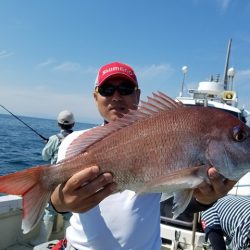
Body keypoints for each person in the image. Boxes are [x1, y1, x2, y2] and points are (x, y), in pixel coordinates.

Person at [50, 62, 236, 250]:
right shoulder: (75, 141)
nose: (116, 97)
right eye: (107, 89)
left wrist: (205, 199)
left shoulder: (160, 131)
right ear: (95, 96)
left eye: (125, 89)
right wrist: (60, 202)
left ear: (137, 95)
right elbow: (55, 199)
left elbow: (172, 204)